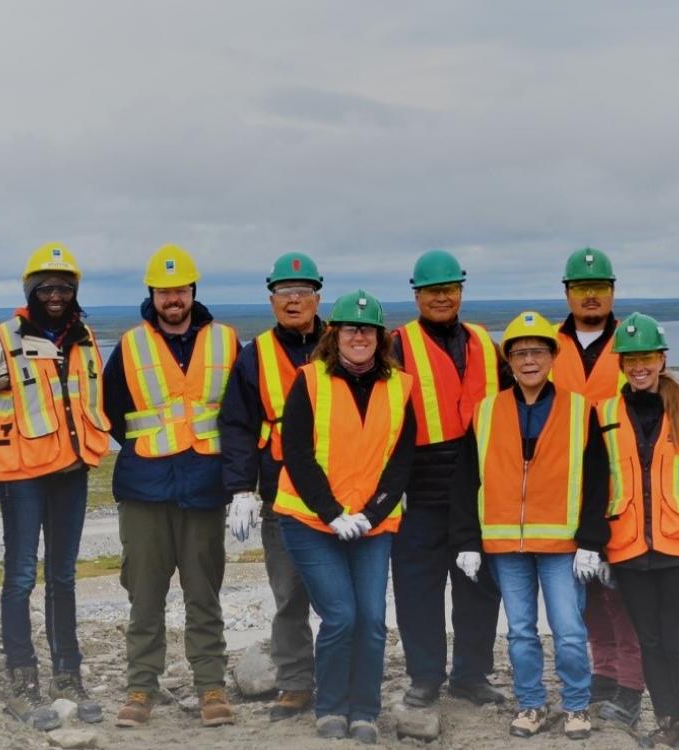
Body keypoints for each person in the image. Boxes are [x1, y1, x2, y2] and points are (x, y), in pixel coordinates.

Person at [0, 242, 110, 730]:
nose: (56, 295)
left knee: (63, 577)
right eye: (46, 287)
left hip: (70, 475)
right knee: (20, 579)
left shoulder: (85, 339)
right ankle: (22, 682)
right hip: (21, 480)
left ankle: (69, 676)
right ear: (31, 290)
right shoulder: (4, 339)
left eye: (64, 287)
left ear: (74, 291)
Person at [451, 311, 609, 741]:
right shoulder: (486, 412)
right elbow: (467, 480)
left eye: (537, 351)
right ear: (509, 361)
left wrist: (592, 541)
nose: (528, 360)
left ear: (552, 356)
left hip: (562, 545)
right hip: (505, 546)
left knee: (570, 630)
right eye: (519, 353)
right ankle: (531, 704)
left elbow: (598, 479)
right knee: (520, 632)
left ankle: (576, 705)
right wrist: (467, 539)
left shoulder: (580, 411)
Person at [104, 244, 241, 729]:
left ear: (192, 291)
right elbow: (114, 409)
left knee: (204, 593)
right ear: (153, 295)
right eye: (164, 292)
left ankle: (211, 688)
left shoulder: (226, 341)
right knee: (144, 594)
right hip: (145, 489)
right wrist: (152, 450)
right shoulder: (131, 345)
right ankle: (141, 687)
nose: (173, 299)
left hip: (205, 486)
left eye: (180, 289)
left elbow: (238, 413)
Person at [275, 289, 416, 744]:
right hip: (310, 521)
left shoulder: (400, 385)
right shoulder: (310, 380)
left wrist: (372, 514)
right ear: (334, 335)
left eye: (368, 329)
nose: (360, 336)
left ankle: (364, 712)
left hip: (372, 525)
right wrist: (332, 513)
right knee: (340, 616)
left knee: (372, 620)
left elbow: (402, 460)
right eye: (351, 329)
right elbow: (295, 453)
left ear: (380, 337)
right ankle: (331, 706)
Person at [388, 249, 509, 709]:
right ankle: (424, 677)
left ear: (461, 291)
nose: (442, 297)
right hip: (419, 493)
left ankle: (471, 675)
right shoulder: (397, 345)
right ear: (417, 294)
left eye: (450, 289)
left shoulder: (484, 341)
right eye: (433, 290)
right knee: (418, 590)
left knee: (479, 589)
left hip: (479, 490)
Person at [596, 313, 679, 749]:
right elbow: (599, 483)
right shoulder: (607, 414)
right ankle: (668, 721)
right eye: (630, 358)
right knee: (650, 642)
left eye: (647, 356)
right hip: (629, 549)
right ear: (621, 363)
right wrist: (596, 548)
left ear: (662, 358)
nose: (639, 366)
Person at [218, 251, 325, 721]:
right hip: (280, 493)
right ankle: (296, 682)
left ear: (318, 297)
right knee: (289, 596)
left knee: (345, 598)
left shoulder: (345, 341)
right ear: (272, 300)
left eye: (302, 292)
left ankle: (346, 677)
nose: (294, 300)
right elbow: (238, 425)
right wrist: (241, 488)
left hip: (342, 493)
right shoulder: (255, 354)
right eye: (285, 293)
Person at [553, 247, 644, 726]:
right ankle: (603, 676)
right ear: (566, 293)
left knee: (623, 589)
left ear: (613, 291)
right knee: (584, 589)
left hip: (623, 481)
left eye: (600, 288)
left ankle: (630, 685)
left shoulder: (633, 341)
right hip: (565, 485)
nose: (591, 296)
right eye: (581, 288)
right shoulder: (547, 345)